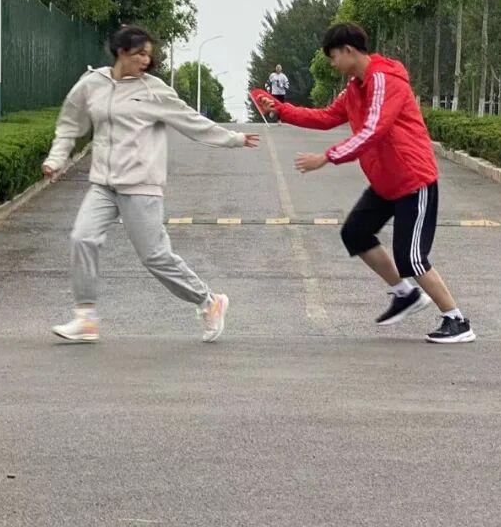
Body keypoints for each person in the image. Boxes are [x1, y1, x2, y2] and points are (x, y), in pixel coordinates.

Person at [254, 23, 475, 344]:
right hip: (385, 183)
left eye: (333, 57)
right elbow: (326, 117)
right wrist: (281, 110)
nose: (332, 64)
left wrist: (326, 157)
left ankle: (457, 320)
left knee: (411, 258)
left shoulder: (385, 80)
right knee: (355, 233)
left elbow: (373, 130)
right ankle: (405, 294)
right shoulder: (354, 89)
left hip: (413, 180)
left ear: (348, 51)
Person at [43, 26, 260, 344]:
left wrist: (233, 138)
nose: (146, 60)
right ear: (121, 52)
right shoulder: (92, 84)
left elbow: (191, 121)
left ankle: (209, 301)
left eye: (148, 54)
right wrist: (55, 159)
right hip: (103, 184)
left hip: (141, 185)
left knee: (155, 256)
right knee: (82, 238)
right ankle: (86, 318)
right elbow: (69, 124)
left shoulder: (154, 90)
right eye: (140, 53)